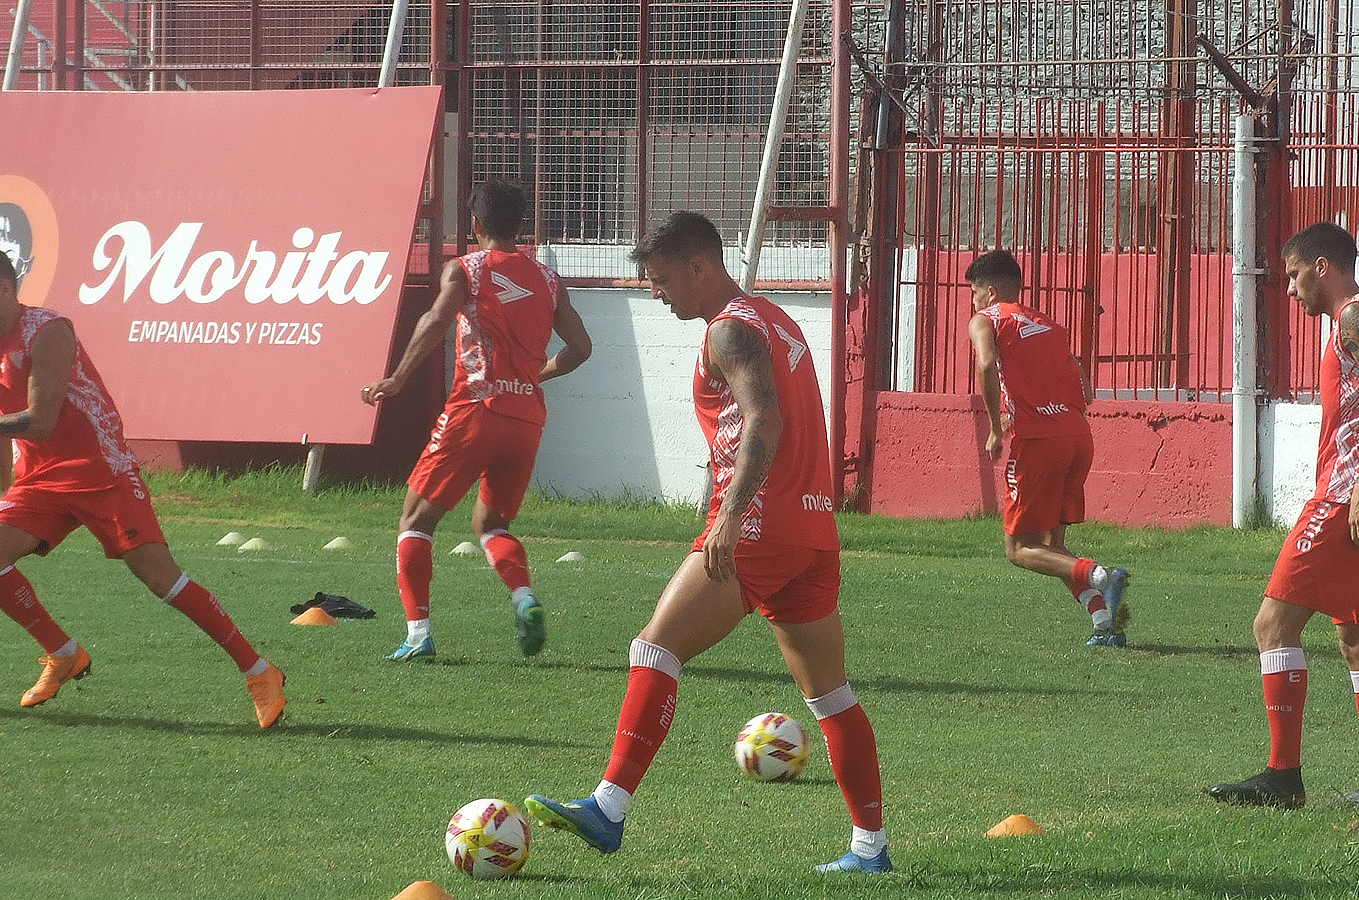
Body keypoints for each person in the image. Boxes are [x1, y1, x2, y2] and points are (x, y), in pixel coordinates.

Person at [523, 211, 891, 874]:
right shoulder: (774, 318)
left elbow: (764, 419)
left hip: (759, 526)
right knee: (831, 697)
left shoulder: (728, 329)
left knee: (654, 647)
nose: (657, 294)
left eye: (663, 281)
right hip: (812, 531)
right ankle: (870, 849)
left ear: (700, 267)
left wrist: (731, 517)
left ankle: (608, 808)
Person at [0, 247, 286, 728]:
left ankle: (259, 671)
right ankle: (63, 653)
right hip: (40, 477)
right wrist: (5, 487)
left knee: (160, 578)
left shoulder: (49, 331)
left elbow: (39, 422)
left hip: (99, 468)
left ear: (4, 289)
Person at [1208, 222, 1359, 808]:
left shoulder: (1355, 316)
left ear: (1322, 267)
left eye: (1294, 274)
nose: (1290, 288)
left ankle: (1283, 776)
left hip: (1350, 496)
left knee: (1272, 625)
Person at [361, 180, 591, 661]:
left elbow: (435, 320)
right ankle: (523, 597)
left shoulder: (466, 268)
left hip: (475, 409)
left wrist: (397, 379)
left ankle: (418, 635)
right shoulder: (549, 280)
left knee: (415, 521)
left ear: (475, 224)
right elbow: (581, 347)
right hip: (526, 419)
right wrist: (536, 375)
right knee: (492, 525)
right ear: (519, 225)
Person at [966, 249, 1130, 646]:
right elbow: (1084, 388)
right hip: (1077, 437)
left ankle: (1102, 576)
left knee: (1019, 549)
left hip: (1039, 442)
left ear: (990, 292)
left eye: (973, 291)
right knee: (1052, 548)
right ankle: (1103, 625)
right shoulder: (1049, 324)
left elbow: (986, 366)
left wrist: (995, 427)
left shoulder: (986, 320)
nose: (973, 300)